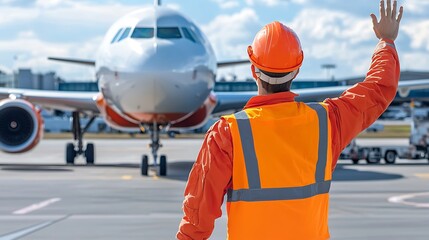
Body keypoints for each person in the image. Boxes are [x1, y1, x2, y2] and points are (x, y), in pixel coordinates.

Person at [177, 0, 403, 239]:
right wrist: (386, 42)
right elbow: (378, 89)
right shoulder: (326, 122)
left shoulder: (226, 134)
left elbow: (197, 218)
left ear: (253, 70)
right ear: (297, 70)